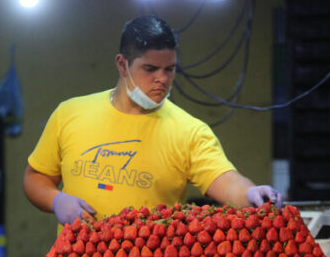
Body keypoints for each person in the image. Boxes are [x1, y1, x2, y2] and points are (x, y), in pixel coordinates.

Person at [23, 15, 282, 226]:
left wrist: (251, 193)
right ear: (122, 65)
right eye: (150, 69)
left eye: (169, 69)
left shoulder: (188, 131)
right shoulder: (70, 113)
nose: (162, 79)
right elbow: (36, 178)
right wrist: (56, 200)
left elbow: (227, 181)